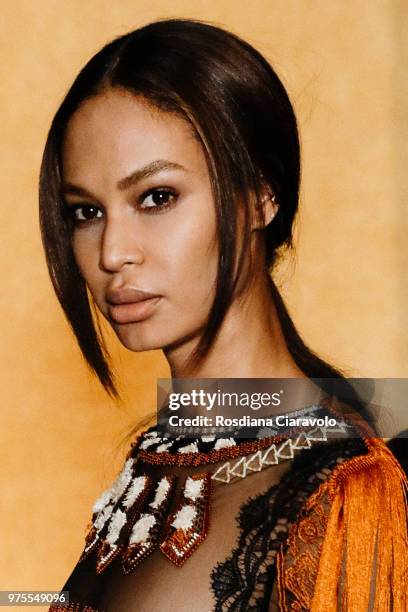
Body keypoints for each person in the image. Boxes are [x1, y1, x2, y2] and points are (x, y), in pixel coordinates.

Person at [39, 18, 408, 611]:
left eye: (156, 197)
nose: (112, 253)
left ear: (261, 194)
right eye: (86, 212)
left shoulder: (349, 493)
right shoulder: (155, 468)